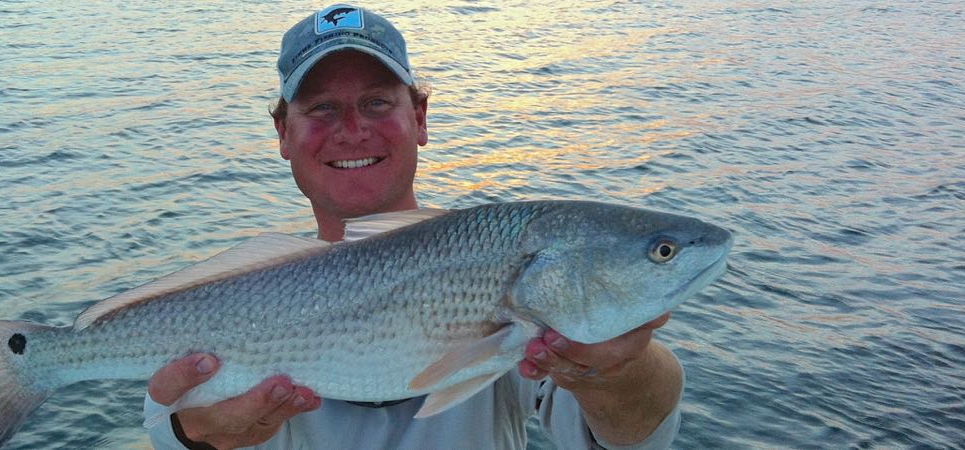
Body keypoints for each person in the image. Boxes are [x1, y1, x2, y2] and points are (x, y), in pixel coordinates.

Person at [144, 5, 682, 449]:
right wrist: (190, 438)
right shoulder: (213, 311)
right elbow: (166, 424)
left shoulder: (499, 275)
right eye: (322, 108)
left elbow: (633, 438)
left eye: (376, 102)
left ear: (419, 117)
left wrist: (622, 371)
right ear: (283, 133)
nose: (352, 130)